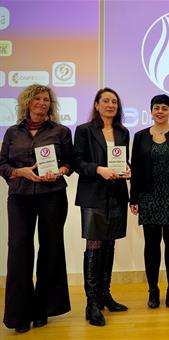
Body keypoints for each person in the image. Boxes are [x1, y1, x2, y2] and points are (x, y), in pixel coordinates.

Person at [0, 84, 72, 333]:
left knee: (51, 249)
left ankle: (43, 309)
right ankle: (20, 314)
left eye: (46, 99)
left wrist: (59, 172)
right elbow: (2, 163)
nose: (42, 103)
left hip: (52, 195)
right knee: (19, 250)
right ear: (27, 102)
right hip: (20, 196)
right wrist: (18, 172)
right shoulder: (12, 132)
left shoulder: (60, 131)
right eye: (37, 99)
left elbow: (69, 163)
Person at [130, 94, 169, 309]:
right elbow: (136, 169)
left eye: (164, 108)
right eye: (156, 107)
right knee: (151, 244)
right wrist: (134, 198)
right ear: (151, 110)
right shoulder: (139, 136)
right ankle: (153, 290)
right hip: (148, 197)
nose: (160, 111)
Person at [74, 88, 130, 326]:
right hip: (93, 195)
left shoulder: (123, 132)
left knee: (109, 244)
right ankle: (92, 303)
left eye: (114, 102)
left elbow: (122, 159)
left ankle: (105, 295)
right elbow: (77, 162)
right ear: (96, 105)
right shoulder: (84, 131)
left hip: (116, 195)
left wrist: (128, 169)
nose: (110, 105)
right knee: (95, 245)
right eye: (105, 101)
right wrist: (98, 169)